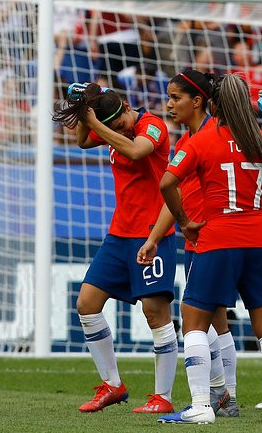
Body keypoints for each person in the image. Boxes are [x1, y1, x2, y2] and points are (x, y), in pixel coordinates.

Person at [156, 74, 262, 424]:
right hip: (260, 239)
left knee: (194, 323)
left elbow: (168, 182)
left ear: (213, 105)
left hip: (217, 240)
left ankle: (200, 406)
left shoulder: (201, 141)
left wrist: (183, 221)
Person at [52, 83, 179, 414]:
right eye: (110, 127)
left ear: (126, 106)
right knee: (87, 304)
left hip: (154, 231)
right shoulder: (107, 126)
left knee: (155, 312)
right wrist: (84, 113)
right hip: (119, 233)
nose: (117, 130)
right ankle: (112, 384)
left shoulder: (152, 124)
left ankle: (163, 396)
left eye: (119, 123)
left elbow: (137, 151)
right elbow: (81, 142)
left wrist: (96, 123)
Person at [137, 70, 240, 417]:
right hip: (197, 237)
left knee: (195, 316)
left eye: (175, 97)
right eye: (167, 97)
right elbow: (174, 197)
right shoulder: (186, 142)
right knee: (216, 320)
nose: (168, 104)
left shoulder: (214, 136)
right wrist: (154, 238)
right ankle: (228, 396)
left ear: (197, 101)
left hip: (214, 237)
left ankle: (220, 396)